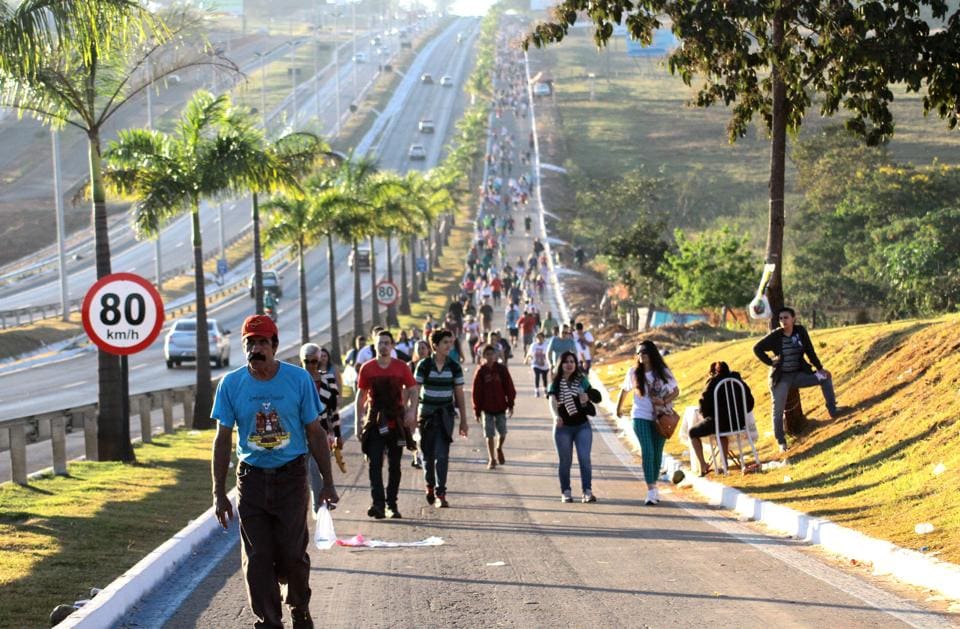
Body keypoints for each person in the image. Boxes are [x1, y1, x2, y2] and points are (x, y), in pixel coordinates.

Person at [211, 315, 338, 629]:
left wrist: (327, 482)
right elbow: (223, 438)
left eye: (262, 342)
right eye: (250, 343)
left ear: (275, 346)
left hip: (291, 478)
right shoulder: (231, 384)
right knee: (257, 559)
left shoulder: (297, 380)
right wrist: (218, 492)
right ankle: (268, 621)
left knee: (292, 556)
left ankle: (299, 607)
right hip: (251, 479)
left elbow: (315, 432)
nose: (256, 349)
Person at [753, 306, 843, 452]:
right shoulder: (776, 335)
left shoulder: (800, 331)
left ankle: (833, 410)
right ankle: (781, 441)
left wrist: (820, 369)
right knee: (778, 409)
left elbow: (810, 351)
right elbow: (756, 348)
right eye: (781, 318)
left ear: (793, 318)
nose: (783, 321)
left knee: (825, 378)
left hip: (799, 375)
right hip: (781, 378)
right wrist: (771, 361)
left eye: (786, 318)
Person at [355, 330, 419, 520]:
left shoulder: (401, 367)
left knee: (395, 465)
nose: (383, 346)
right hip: (375, 422)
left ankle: (392, 505)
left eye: (386, 343)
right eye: (380, 343)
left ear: (392, 346)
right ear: (374, 346)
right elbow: (361, 396)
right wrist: (359, 423)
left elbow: (413, 390)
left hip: (396, 423)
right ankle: (378, 504)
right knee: (374, 463)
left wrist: (411, 410)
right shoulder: (367, 368)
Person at [617, 341, 679, 505]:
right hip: (640, 416)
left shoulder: (663, 372)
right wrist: (619, 408)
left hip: (660, 417)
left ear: (652, 354)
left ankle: (654, 485)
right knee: (648, 451)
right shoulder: (633, 372)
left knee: (657, 452)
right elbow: (624, 390)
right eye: (638, 353)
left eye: (644, 352)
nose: (641, 356)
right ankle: (651, 489)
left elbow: (676, 391)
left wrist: (664, 401)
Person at [415, 329, 469, 508]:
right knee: (427, 455)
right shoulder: (424, 365)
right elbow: (415, 391)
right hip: (426, 417)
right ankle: (429, 485)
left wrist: (463, 420)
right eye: (445, 342)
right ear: (435, 345)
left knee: (442, 455)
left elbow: (459, 394)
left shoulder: (454, 366)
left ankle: (441, 493)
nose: (449, 346)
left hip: (445, 416)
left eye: (450, 342)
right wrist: (412, 415)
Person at [547, 351, 599, 504]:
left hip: (582, 426)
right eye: (566, 361)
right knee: (565, 461)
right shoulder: (555, 383)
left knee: (584, 459)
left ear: (576, 364)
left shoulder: (581, 381)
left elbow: (597, 396)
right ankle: (566, 491)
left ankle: (587, 492)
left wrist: (588, 396)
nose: (569, 364)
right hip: (563, 427)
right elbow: (552, 400)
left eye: (572, 361)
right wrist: (556, 416)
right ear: (560, 364)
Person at [687, 361, 755, 475]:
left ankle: (703, 465)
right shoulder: (738, 381)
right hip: (738, 422)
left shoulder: (713, 382)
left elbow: (703, 405)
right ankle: (724, 464)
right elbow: (750, 403)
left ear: (713, 373)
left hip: (719, 423)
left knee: (692, 432)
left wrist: (707, 415)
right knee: (721, 433)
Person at [300, 343, 342, 516]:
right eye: (307, 361)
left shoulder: (328, 380)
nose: (310, 365)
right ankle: (303, 505)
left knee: (316, 469)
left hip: (322, 432)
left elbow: (333, 409)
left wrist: (337, 434)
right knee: (302, 472)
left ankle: (319, 506)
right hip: (300, 433)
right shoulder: (297, 380)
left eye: (314, 361)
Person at [472, 344, 517, 469]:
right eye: (487, 354)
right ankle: (491, 458)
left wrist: (511, 404)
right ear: (483, 356)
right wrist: (477, 410)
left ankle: (499, 447)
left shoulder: (501, 369)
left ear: (496, 355)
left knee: (502, 432)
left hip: (501, 406)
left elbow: (509, 387)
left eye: (492, 354)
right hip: (487, 408)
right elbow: (476, 392)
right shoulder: (481, 372)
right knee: (489, 434)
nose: (490, 357)